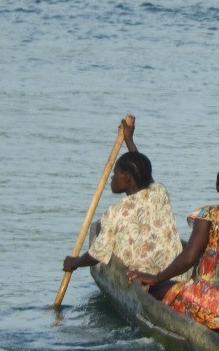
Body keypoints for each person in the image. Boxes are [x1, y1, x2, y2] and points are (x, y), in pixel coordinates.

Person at [127, 163, 219, 330]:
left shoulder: (208, 215)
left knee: (154, 290)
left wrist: (157, 277)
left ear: (217, 186)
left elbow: (189, 257)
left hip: (207, 301)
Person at [62, 119, 186, 279]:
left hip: (146, 281)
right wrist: (129, 139)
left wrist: (75, 262)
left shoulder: (114, 213)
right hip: (176, 276)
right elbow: (144, 172)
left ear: (126, 177)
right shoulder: (160, 191)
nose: (112, 178)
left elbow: (98, 254)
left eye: (115, 174)